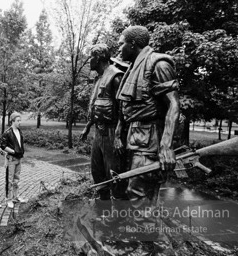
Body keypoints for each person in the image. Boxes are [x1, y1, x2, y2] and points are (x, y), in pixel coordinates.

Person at [116, 25, 180, 248]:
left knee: (139, 193)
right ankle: (144, 240)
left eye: (122, 43)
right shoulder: (133, 67)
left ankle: (153, 247)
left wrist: (166, 146)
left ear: (133, 44)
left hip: (150, 142)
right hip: (136, 138)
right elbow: (127, 110)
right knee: (136, 194)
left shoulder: (158, 64)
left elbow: (173, 105)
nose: (120, 48)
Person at [79, 43, 129, 200]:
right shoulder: (98, 79)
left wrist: (118, 136)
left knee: (114, 173)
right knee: (97, 170)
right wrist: (88, 127)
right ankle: (103, 203)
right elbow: (95, 106)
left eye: (91, 57)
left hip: (112, 132)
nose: (89, 61)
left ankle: (118, 212)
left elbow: (124, 110)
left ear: (99, 58)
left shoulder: (115, 76)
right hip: (98, 133)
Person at [1, 112, 28, 209]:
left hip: (18, 159)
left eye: (20, 120)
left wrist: (20, 152)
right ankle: (8, 199)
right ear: (12, 121)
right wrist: (14, 151)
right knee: (10, 180)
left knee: (17, 179)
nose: (20, 122)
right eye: (18, 121)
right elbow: (3, 146)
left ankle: (15, 197)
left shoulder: (19, 131)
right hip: (11, 159)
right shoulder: (7, 132)